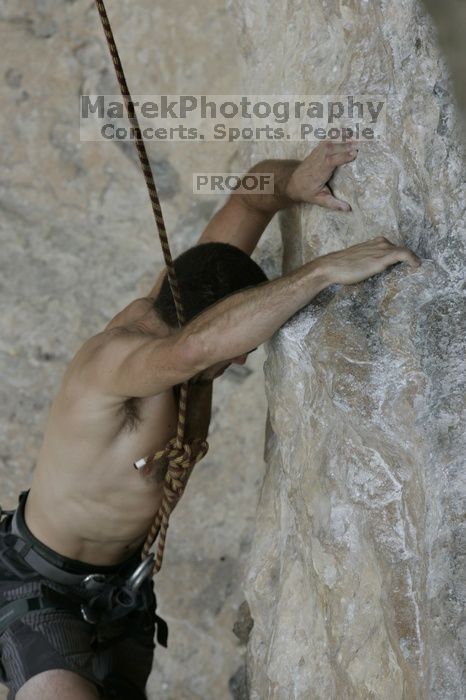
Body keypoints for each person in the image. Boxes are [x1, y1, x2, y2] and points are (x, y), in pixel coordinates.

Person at [0, 141, 421, 700]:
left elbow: (249, 200)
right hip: (38, 589)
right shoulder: (121, 361)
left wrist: (293, 179)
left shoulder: (185, 293)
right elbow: (198, 347)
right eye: (239, 344)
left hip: (118, 594)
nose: (242, 359)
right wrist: (321, 272)